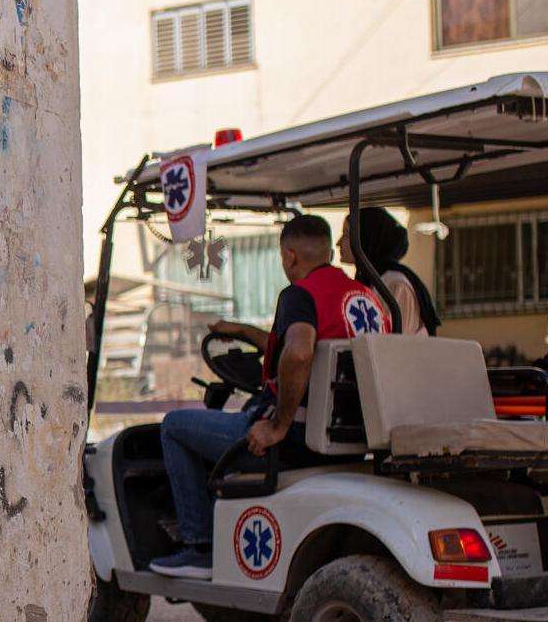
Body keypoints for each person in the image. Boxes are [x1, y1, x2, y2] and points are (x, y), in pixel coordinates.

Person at [151, 214, 392, 579]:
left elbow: (299, 353)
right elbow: (299, 345)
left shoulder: (299, 294)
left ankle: (198, 547)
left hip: (293, 440)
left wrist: (277, 425)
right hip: (350, 439)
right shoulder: (367, 297)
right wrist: (242, 331)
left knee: (173, 426)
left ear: (289, 256)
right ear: (328, 252)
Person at [337, 207, 440, 336]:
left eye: (346, 235)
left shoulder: (395, 284)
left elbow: (394, 341)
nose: (338, 243)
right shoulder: (370, 280)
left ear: (367, 238)